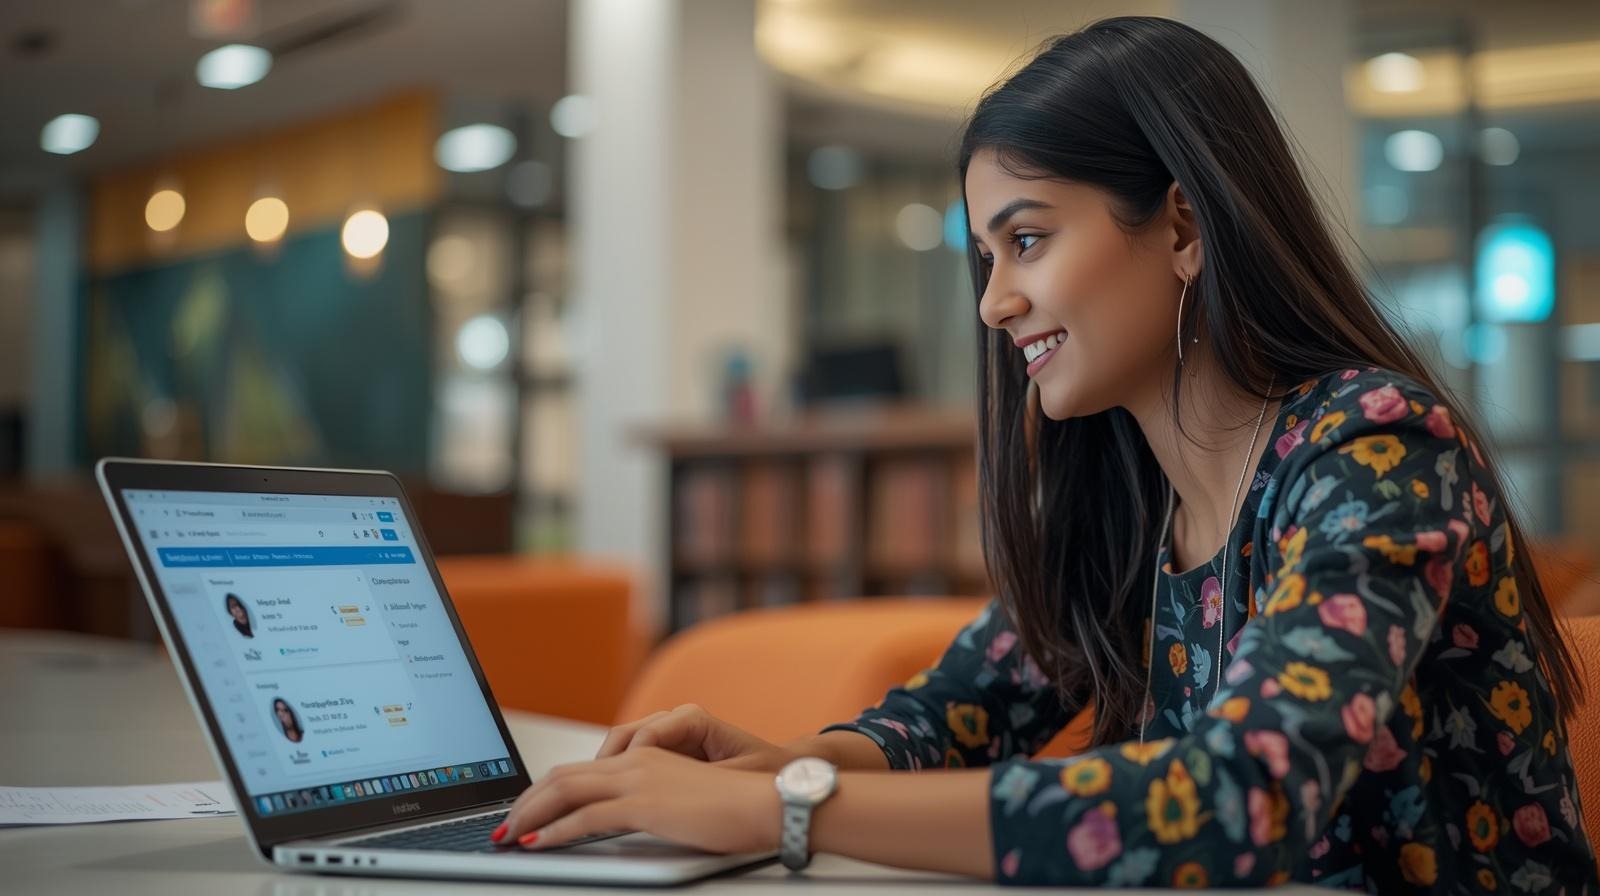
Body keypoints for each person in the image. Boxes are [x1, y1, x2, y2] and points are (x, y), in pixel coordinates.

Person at [488, 16, 1598, 891]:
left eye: (1026, 238)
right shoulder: (1131, 493)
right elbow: (949, 715)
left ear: (1180, 226)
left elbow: (1239, 802)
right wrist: (772, 764)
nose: (993, 300)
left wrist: (786, 809)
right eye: (983, 253)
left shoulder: (1375, 446)